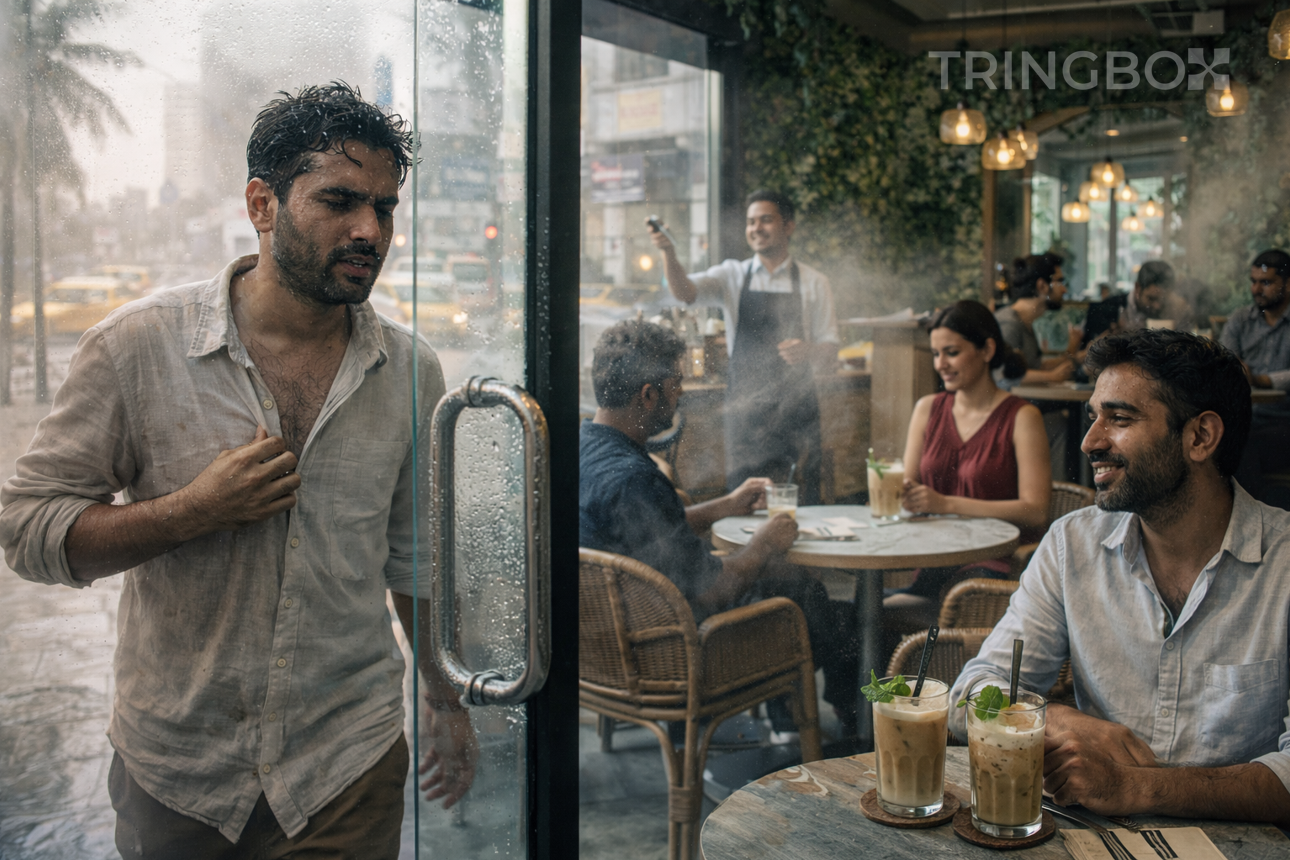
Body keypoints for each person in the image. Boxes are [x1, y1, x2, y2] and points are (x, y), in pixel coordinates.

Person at [0, 84, 476, 857]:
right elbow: (27, 530)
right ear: (263, 204)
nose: (370, 231)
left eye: (385, 208)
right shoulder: (137, 347)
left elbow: (413, 557)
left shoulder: (411, 371)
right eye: (340, 201)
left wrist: (446, 701)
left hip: (345, 767)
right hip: (180, 772)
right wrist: (187, 512)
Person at [951, 329, 1290, 828]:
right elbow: (970, 693)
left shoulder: (1282, 564)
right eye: (1094, 417)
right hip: (1096, 841)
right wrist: (1063, 719)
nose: (1090, 441)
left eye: (1120, 418)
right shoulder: (1073, 546)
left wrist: (1134, 787)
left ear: (1200, 437)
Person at [580, 320, 858, 735]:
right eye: (676, 385)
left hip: (601, 650)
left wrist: (723, 506)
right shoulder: (635, 479)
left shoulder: (583, 448)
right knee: (811, 596)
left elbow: (650, 532)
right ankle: (842, 728)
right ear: (648, 394)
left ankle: (788, 714)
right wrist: (764, 544)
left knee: (799, 589)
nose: (680, 396)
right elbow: (715, 590)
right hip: (670, 658)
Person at [646, 190, 839, 505]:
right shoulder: (732, 275)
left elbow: (830, 350)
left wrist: (808, 351)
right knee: (744, 502)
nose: (756, 228)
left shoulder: (815, 282)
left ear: (788, 226)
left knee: (802, 502)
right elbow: (685, 292)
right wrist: (668, 252)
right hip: (745, 413)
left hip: (797, 412)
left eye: (766, 220)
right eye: (751, 222)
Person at [884, 301, 1051, 630]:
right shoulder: (927, 409)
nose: (941, 364)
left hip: (995, 569)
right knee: (858, 612)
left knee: (874, 617)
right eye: (935, 354)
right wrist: (901, 494)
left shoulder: (1022, 417)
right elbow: (907, 485)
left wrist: (945, 504)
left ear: (987, 349)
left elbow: (1036, 511)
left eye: (951, 352)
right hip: (936, 559)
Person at [995, 254, 1076, 480]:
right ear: (1042, 286)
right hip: (1003, 414)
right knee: (1060, 422)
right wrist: (1052, 375)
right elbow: (1005, 374)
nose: (1065, 291)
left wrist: (1072, 356)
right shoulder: (1009, 323)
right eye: (1060, 282)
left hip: (1019, 406)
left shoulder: (1024, 321)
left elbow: (1033, 363)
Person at [1223, 250, 1290, 505]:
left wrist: (1261, 380)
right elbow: (1226, 362)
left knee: (1240, 443)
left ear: (1288, 283)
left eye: (1266, 282)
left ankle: (1253, 517)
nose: (1257, 289)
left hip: (1285, 420)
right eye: (1253, 281)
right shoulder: (1241, 319)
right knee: (1223, 436)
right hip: (1247, 417)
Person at [1116, 259, 1194, 333]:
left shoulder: (1179, 309)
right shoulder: (1115, 309)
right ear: (1137, 288)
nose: (1157, 306)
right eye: (1151, 299)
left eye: (1164, 299)